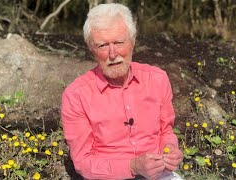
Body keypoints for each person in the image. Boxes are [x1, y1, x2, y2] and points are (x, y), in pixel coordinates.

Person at [61, 3, 183, 180]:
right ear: (91, 49)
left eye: (119, 42)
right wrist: (132, 167)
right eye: (102, 45)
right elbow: (83, 162)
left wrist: (171, 150)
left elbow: (166, 132)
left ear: (132, 42)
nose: (113, 53)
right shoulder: (76, 95)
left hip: (159, 175)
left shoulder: (158, 79)